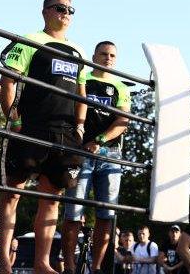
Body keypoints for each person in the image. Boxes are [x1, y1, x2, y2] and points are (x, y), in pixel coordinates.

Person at [0, 0, 89, 274]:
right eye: (60, 8)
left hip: (64, 132)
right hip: (31, 126)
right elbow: (8, 79)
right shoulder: (30, 40)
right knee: (11, 193)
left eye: (71, 10)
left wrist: (81, 125)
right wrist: (11, 115)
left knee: (51, 199)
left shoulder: (79, 51)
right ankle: (0, 261)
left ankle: (42, 263)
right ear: (45, 11)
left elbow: (82, 91)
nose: (66, 13)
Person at [62, 40, 131, 274]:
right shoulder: (83, 79)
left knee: (106, 215)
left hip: (110, 154)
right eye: (103, 54)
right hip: (79, 151)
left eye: (112, 55)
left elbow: (123, 121)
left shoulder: (121, 87)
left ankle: (98, 267)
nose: (108, 58)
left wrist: (99, 141)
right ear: (94, 56)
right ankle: (69, 266)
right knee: (73, 212)